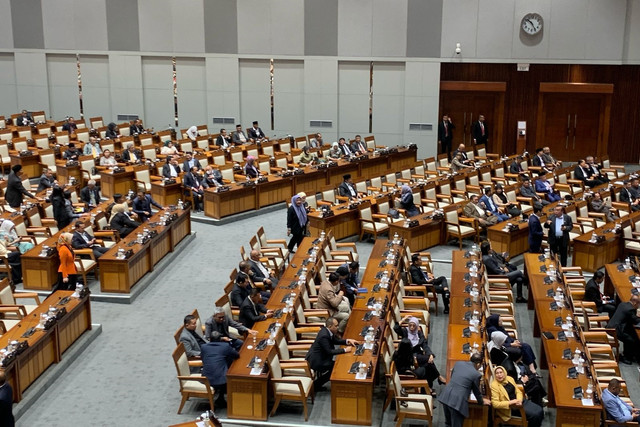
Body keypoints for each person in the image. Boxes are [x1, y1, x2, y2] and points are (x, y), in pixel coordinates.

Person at [438, 353, 490, 427]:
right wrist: (481, 401)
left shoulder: (458, 363)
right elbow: (476, 391)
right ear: (478, 364)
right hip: (457, 402)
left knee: (448, 423)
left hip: (446, 396)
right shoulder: (476, 374)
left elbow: (452, 376)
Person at [305, 317, 358, 390]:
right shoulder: (324, 335)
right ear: (330, 326)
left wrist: (347, 341)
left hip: (321, 356)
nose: (338, 327)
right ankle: (315, 386)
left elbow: (335, 341)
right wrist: (345, 350)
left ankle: (317, 385)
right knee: (335, 368)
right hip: (317, 361)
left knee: (336, 365)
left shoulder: (327, 331)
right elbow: (329, 351)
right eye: (336, 326)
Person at [394, 316, 447, 388]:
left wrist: (430, 354)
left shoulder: (419, 334)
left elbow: (425, 345)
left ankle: (430, 385)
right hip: (407, 356)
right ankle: (437, 378)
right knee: (428, 363)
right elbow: (396, 328)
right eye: (410, 325)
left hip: (417, 354)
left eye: (414, 326)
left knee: (428, 362)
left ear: (417, 326)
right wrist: (404, 319)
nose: (412, 327)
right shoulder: (405, 332)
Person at [201, 331, 240, 408]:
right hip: (222, 380)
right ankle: (222, 397)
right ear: (220, 339)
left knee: (220, 366)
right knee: (226, 365)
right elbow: (236, 355)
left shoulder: (204, 347)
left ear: (210, 339)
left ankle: (220, 395)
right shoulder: (225, 346)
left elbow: (203, 358)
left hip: (206, 378)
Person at [606, 295, 640, 364]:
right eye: (639, 304)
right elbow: (635, 321)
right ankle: (626, 357)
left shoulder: (622, 304)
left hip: (610, 326)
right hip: (615, 330)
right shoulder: (630, 310)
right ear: (635, 303)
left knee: (631, 334)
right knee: (631, 339)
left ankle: (631, 354)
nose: (638, 306)